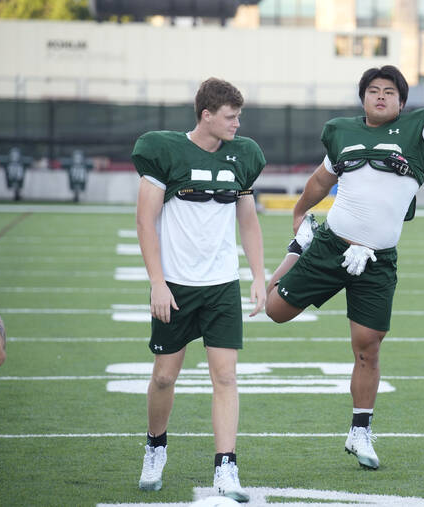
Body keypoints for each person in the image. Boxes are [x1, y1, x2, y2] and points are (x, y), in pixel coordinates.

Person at [264, 21, 424, 470]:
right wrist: (300, 211)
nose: (380, 96)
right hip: (332, 244)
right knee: (274, 311)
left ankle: (360, 431)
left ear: (401, 101)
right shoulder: (341, 131)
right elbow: (322, 178)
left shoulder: (419, 134)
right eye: (373, 89)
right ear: (363, 98)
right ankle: (297, 250)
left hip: (377, 259)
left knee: (367, 346)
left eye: (389, 91)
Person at [132, 77, 267, 501]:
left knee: (225, 376)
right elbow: (145, 221)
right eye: (230, 117)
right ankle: (155, 446)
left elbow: (248, 220)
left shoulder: (241, 157)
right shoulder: (165, 151)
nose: (237, 124)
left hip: (221, 285)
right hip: (176, 284)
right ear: (206, 115)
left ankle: (226, 466)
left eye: (239, 116)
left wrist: (259, 276)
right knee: (164, 377)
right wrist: (157, 282)